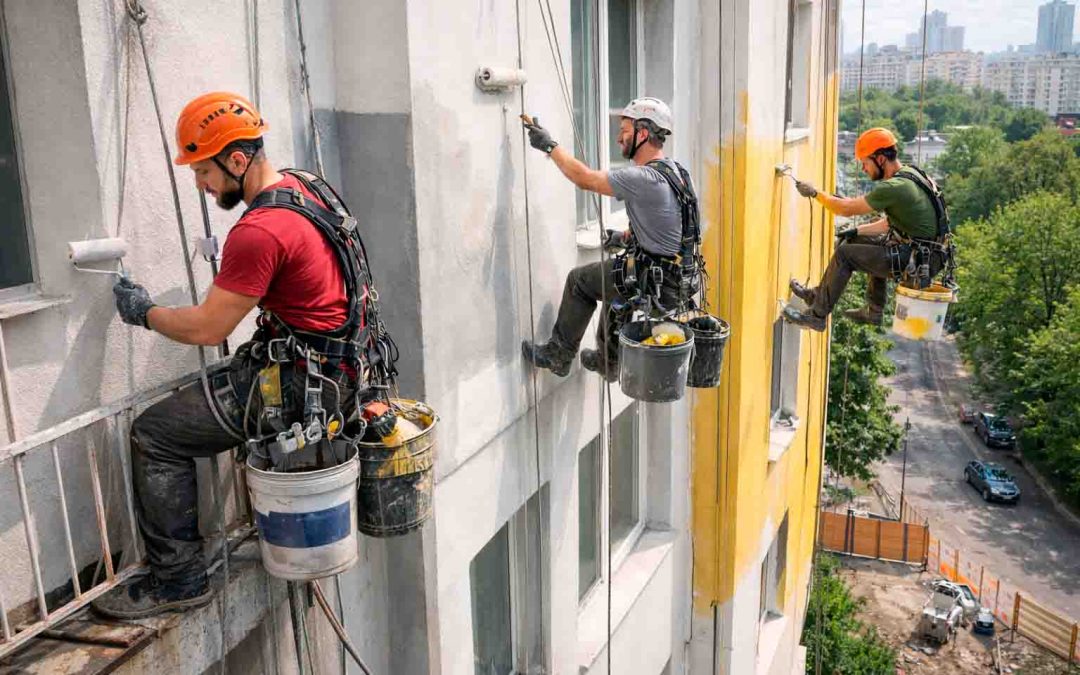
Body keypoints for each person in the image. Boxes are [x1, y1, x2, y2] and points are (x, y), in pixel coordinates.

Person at [94, 92, 388, 618]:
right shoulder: (306, 187)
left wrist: (144, 312)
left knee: (154, 434)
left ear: (236, 160)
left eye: (204, 173)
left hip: (302, 384)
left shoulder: (259, 231)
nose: (203, 188)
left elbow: (210, 328)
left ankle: (178, 580)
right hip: (340, 369)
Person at [520, 97, 701, 381]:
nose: (618, 139)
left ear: (643, 133)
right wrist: (627, 236)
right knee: (617, 282)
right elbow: (668, 224)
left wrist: (549, 146)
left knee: (581, 282)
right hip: (677, 281)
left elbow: (585, 179)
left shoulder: (643, 178)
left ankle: (559, 355)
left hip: (655, 281)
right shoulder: (677, 173)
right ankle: (609, 362)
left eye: (625, 131)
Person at [782, 127, 951, 332]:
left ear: (880, 159)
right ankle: (836, 301)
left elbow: (846, 209)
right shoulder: (910, 173)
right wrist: (857, 231)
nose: (863, 169)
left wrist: (816, 193)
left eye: (865, 163)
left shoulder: (894, 187)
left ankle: (817, 316)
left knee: (845, 255)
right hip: (926, 253)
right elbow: (891, 224)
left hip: (919, 259)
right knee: (852, 243)